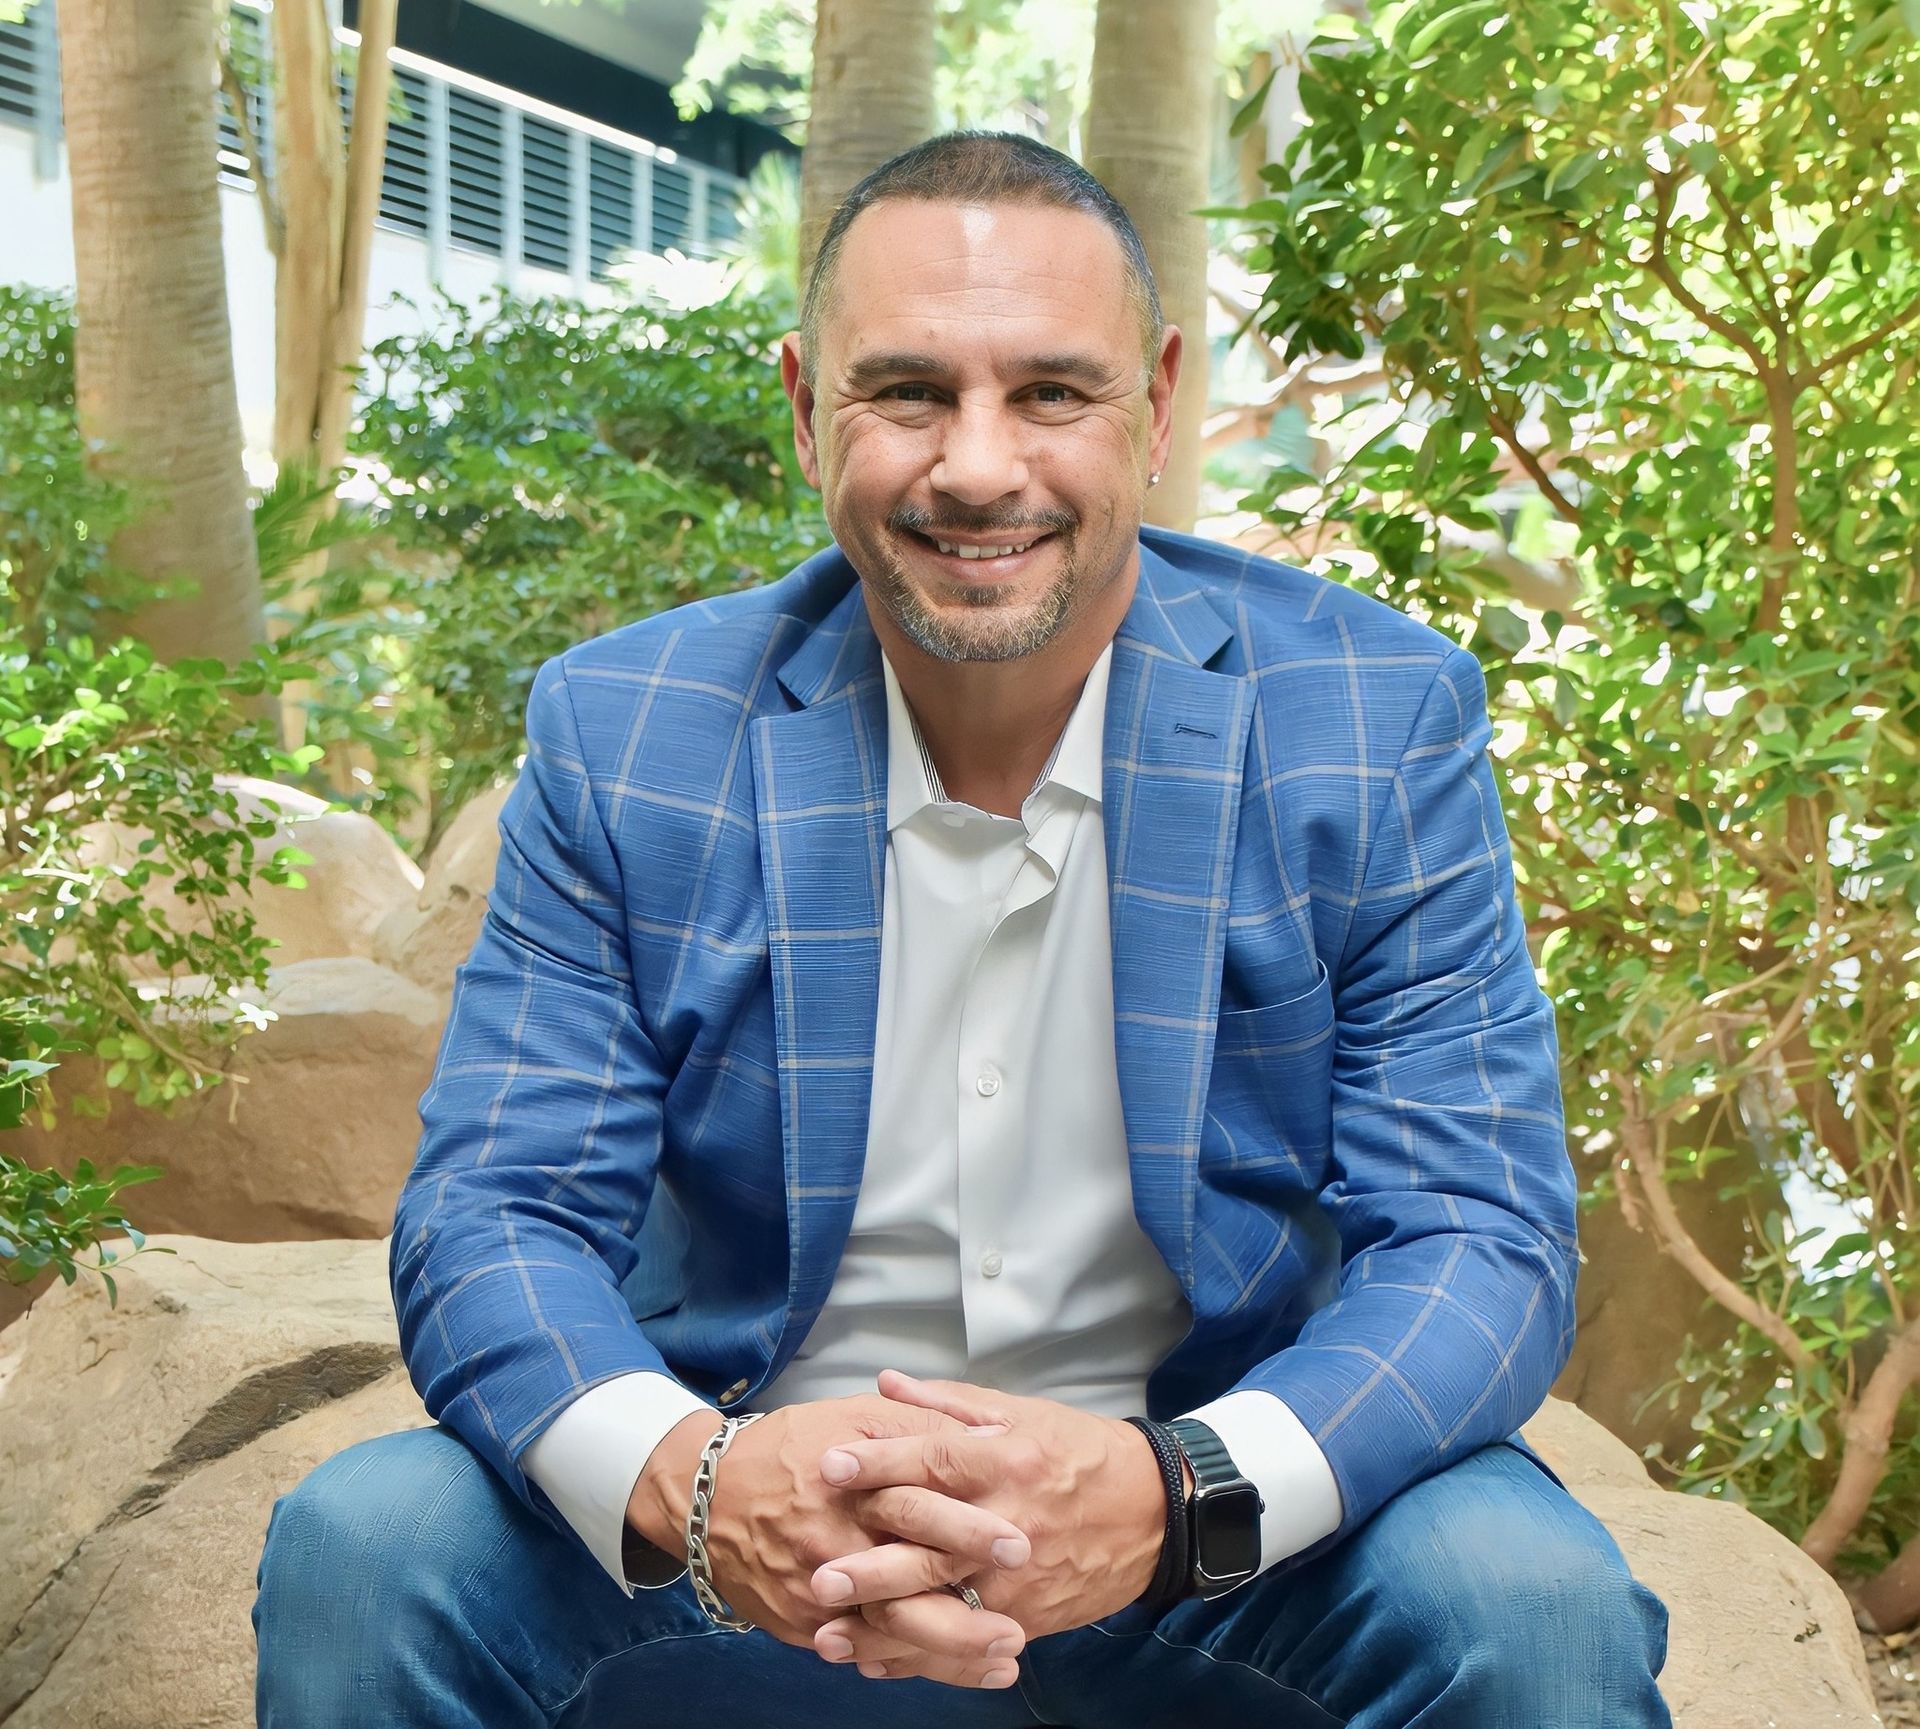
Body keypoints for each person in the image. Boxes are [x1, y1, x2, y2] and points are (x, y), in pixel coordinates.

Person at [252, 131, 1672, 1728]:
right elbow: (495, 1211)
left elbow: (1479, 1232)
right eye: (910, 392)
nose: (980, 466)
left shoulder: (1371, 720)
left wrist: (1176, 1491)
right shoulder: (629, 731)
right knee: (372, 1548)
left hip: (1211, 1539)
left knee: (1529, 1609)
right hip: (757, 1528)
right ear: (807, 406)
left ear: (1158, 401)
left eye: (1052, 391)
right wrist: (700, 1479)